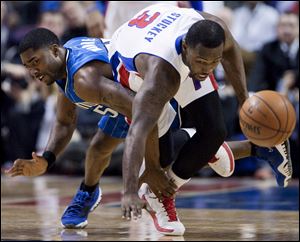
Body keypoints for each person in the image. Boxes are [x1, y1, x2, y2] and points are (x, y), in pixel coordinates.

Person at [6, 28, 291, 236]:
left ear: (55, 51)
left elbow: (144, 114)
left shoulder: (84, 78)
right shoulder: (65, 64)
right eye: (27, 66)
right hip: (126, 99)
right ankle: (88, 193)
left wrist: (152, 167)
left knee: (164, 168)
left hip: (153, 97)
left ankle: (253, 148)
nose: (32, 71)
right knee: (98, 148)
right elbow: (66, 121)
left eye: (36, 62)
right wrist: (47, 158)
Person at [108, 4, 293, 231]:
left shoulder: (212, 34)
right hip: (132, 67)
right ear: (186, 47)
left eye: (214, 61)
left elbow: (231, 51)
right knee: (161, 160)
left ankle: (161, 196)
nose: (208, 69)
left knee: (215, 131)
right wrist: (128, 190)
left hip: (168, 38)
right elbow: (137, 131)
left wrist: (244, 101)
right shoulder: (159, 78)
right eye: (203, 62)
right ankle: (163, 181)